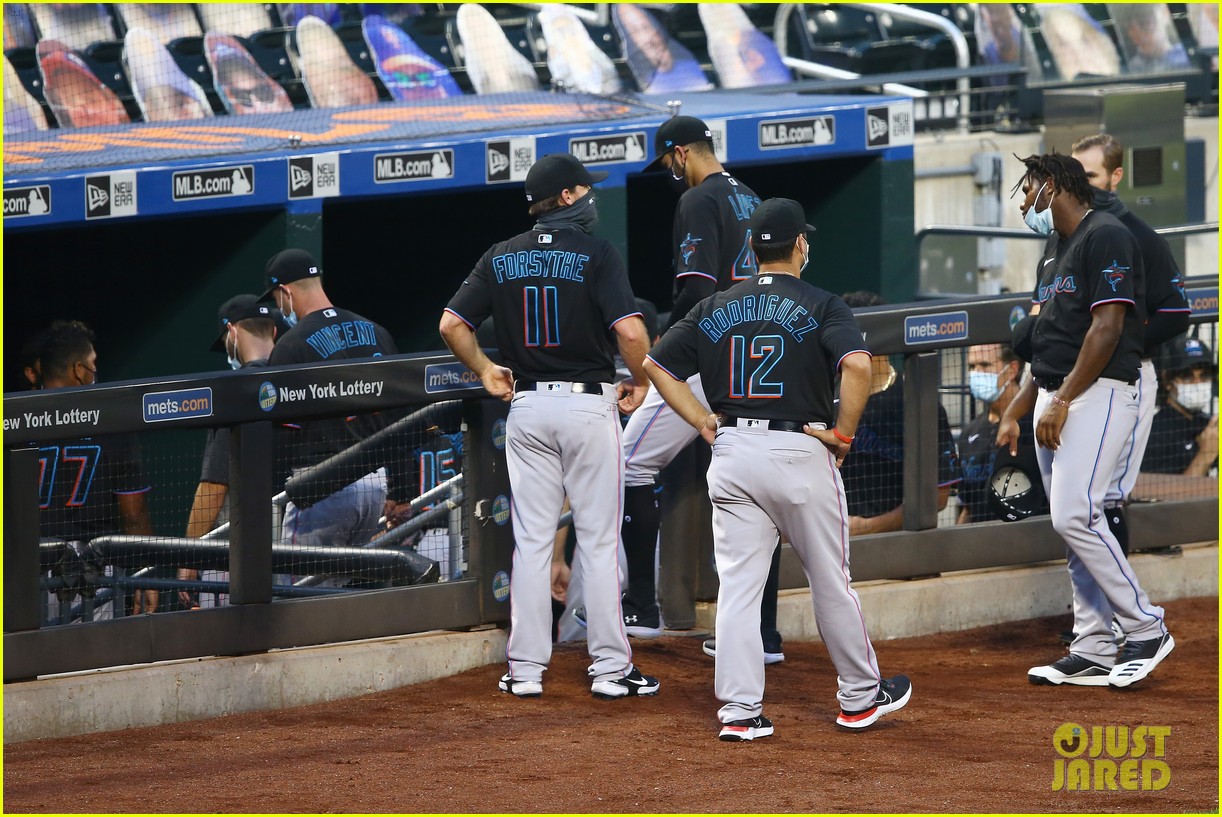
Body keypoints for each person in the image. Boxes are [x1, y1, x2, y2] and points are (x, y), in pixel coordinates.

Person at [643, 198, 911, 739]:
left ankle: (740, 713)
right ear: (799, 245)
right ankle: (859, 698)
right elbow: (858, 365)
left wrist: (701, 420)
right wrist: (843, 433)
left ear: (751, 248)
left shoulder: (716, 304)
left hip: (735, 451)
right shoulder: (822, 303)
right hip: (798, 451)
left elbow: (654, 364)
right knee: (830, 582)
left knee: (739, 588)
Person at [439, 152, 657, 700]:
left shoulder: (501, 254)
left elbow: (451, 323)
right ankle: (610, 670)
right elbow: (631, 333)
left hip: (529, 406)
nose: (590, 197)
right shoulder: (597, 252)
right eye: (584, 189)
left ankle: (525, 670)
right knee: (600, 540)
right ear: (565, 197)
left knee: (532, 542)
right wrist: (644, 381)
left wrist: (486, 369)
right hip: (587, 405)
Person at [1000, 152, 1173, 688]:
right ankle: (1094, 642)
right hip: (1055, 393)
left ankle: (1145, 627)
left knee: (1077, 515)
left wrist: (1063, 400)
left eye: (1029, 190)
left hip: (1097, 393)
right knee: (1072, 525)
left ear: (1053, 185)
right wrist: (1019, 405)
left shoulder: (1108, 235)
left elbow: (1107, 328)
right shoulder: (1054, 249)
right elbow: (1049, 338)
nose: (1025, 202)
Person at [618, 115, 786, 653]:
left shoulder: (696, 200)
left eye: (668, 159)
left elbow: (696, 289)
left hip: (707, 356)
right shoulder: (751, 195)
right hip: (758, 353)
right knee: (759, 488)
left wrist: (661, 358)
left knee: (628, 466)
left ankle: (640, 605)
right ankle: (763, 633)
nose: (668, 169)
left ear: (683, 152)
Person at [1070, 133, 1192, 554]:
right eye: (1075, 174)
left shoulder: (1141, 236)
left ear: (1115, 176)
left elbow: (1177, 311)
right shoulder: (1067, 233)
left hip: (1128, 377)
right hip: (1076, 377)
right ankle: (1095, 620)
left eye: (1090, 175)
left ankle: (1120, 617)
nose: (1081, 184)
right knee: (1077, 502)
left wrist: (1124, 344)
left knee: (1106, 498)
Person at [261, 249, 400, 553]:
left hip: (322, 486)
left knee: (301, 593)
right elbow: (402, 420)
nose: (278, 306)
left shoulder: (291, 345)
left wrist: (275, 493)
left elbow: (281, 436)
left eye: (275, 299)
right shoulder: (376, 332)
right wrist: (402, 489)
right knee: (342, 590)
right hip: (375, 487)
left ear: (285, 291)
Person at [35, 320, 154, 620]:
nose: (94, 370)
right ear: (77, 370)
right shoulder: (111, 419)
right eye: (92, 364)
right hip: (95, 566)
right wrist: (145, 572)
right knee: (96, 663)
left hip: (33, 563)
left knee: (35, 661)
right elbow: (134, 513)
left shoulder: (16, 418)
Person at [178, 295, 280, 608]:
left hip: (235, 546)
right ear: (274, 332)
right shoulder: (294, 379)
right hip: (289, 538)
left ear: (232, 333)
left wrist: (189, 556)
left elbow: (214, 486)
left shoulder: (236, 390)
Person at [838, 291, 960, 535]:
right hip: (829, 547)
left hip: (900, 547)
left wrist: (867, 528)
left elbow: (937, 496)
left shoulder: (916, 402)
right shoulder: (823, 400)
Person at [956, 343, 1045, 524]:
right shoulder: (969, 433)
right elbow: (968, 506)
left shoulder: (1038, 421)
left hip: (1034, 536)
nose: (976, 373)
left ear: (1012, 370)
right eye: (972, 367)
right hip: (981, 539)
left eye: (985, 365)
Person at [1143, 336, 1217, 479]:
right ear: (1168, 380)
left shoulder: (1211, 424)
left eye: (1205, 375)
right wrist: (1206, 455)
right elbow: (1165, 499)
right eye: (1187, 377)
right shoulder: (1154, 433)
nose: (1198, 383)